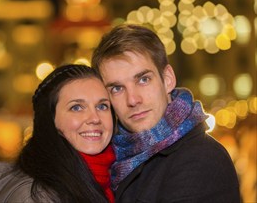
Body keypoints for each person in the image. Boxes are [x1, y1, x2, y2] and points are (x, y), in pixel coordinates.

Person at [91, 24, 241, 202]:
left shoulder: (201, 158)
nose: (132, 99)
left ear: (168, 79)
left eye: (143, 79)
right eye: (117, 88)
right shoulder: (114, 159)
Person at [0, 64, 116, 203]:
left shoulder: (113, 178)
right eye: (76, 107)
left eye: (102, 106)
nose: (95, 118)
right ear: (50, 120)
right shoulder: (34, 196)